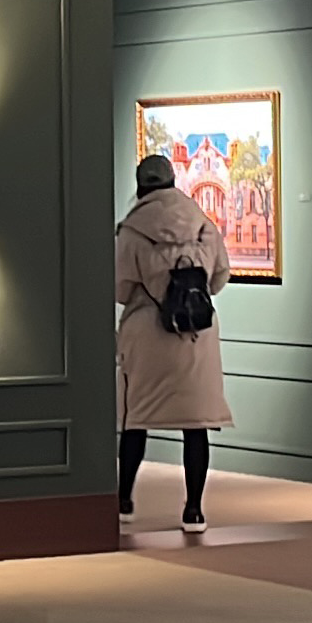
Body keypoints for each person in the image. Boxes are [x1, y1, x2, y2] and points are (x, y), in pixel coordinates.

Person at [114, 151, 235, 537]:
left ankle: (124, 500)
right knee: (195, 424)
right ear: (173, 182)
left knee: (136, 419)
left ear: (140, 187)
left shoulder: (132, 231)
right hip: (196, 335)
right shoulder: (203, 224)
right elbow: (219, 277)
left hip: (147, 335)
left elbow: (119, 288)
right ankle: (194, 510)